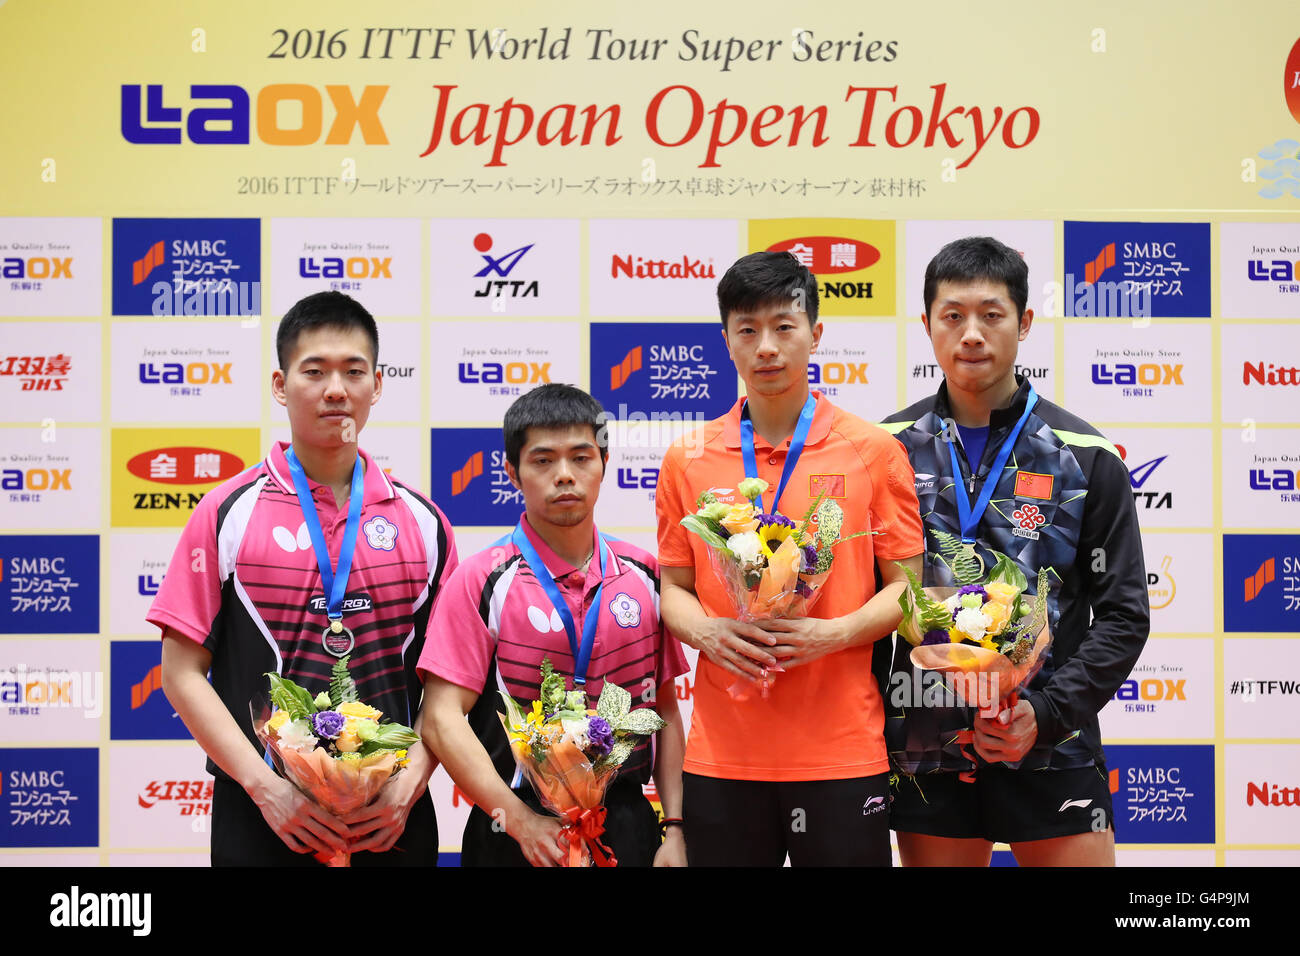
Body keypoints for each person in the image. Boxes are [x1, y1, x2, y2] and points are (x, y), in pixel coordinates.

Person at [150, 290, 457, 866]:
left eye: (353, 371)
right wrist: (266, 791)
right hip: (262, 812)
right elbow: (181, 672)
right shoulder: (226, 512)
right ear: (279, 383)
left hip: (389, 817)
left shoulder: (424, 522)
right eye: (314, 371)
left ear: (378, 384)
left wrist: (410, 785)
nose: (335, 389)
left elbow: (448, 683)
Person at [881, 235, 1150, 866]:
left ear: (1024, 323)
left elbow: (1123, 613)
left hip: (1053, 736)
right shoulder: (885, 450)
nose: (971, 333)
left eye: (991, 315)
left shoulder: (1085, 456)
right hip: (927, 737)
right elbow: (871, 601)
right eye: (953, 316)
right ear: (927, 326)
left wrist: (1046, 711)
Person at [654, 250, 925, 866]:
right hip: (723, 755)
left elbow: (909, 590)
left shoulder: (872, 450)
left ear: (816, 334)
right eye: (748, 330)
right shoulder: (687, 458)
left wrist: (832, 634)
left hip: (842, 749)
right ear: (726, 342)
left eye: (784, 326)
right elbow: (673, 586)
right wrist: (709, 632)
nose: (767, 347)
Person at [419, 383, 689, 867]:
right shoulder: (480, 580)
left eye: (581, 457)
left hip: (626, 824)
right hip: (512, 824)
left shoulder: (645, 575)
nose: (564, 475)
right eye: (543, 461)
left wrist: (674, 828)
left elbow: (665, 711)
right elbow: (441, 719)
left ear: (604, 464)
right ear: (513, 473)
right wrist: (520, 823)